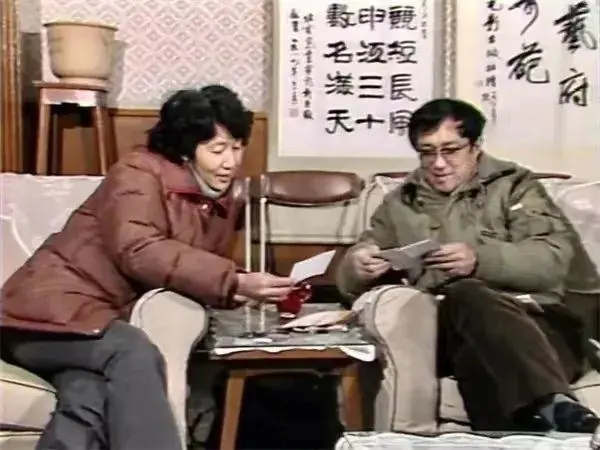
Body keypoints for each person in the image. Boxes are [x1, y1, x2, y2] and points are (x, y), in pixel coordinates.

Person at [0, 85, 295, 450]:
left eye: (237, 147)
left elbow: (190, 266)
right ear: (186, 148)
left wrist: (240, 286)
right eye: (217, 149)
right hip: (42, 317)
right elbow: (139, 248)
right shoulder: (137, 172)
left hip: (90, 322)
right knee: (131, 351)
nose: (230, 162)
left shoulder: (215, 198)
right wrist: (231, 281)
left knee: (87, 396)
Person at [337, 98, 600, 432]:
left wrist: (480, 259)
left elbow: (552, 259)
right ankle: (553, 407)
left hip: (538, 325)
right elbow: (356, 266)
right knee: (465, 296)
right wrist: (356, 267)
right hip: (444, 330)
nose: (439, 163)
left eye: (451, 150)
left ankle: (516, 427)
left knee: (474, 339)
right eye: (427, 152)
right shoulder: (401, 203)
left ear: (475, 147)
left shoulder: (515, 187)